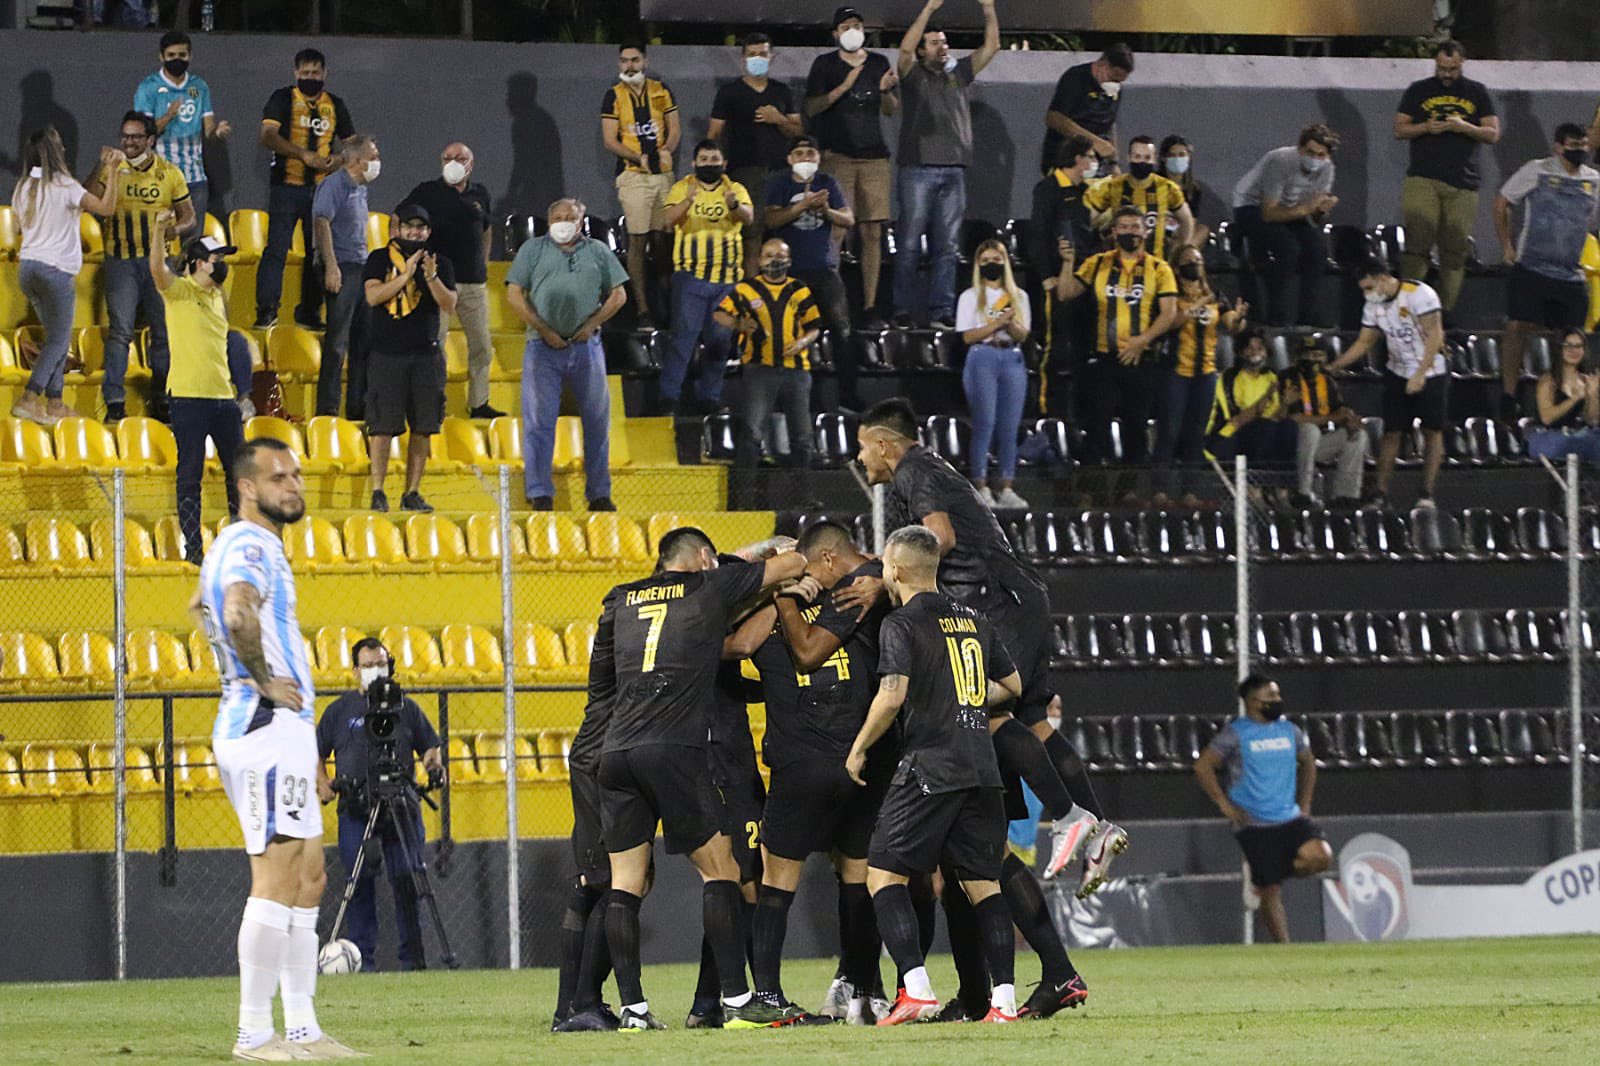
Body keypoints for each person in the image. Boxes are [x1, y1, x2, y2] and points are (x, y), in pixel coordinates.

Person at [856, 399, 1121, 918]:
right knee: (1032, 720)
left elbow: (943, 537)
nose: (861, 459)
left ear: (885, 445)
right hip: (1019, 597)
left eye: (864, 447)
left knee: (991, 709)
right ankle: (1096, 827)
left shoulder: (914, 471)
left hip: (996, 599)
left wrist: (885, 567)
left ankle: (1070, 816)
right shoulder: (930, 467)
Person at [589, 526, 805, 1029]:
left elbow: (602, 679)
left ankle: (634, 1011)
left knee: (626, 882)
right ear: (706, 558)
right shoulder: (708, 586)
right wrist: (769, 575)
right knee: (722, 871)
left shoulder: (620, 597)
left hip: (616, 749)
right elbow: (790, 566)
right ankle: (734, 1002)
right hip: (673, 749)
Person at [192, 437, 359, 1060]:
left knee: (308, 878)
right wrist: (259, 681)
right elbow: (236, 613)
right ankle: (253, 1033)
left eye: (296, 474)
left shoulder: (240, 546)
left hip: (284, 732)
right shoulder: (250, 543)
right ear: (246, 488)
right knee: (275, 878)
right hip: (262, 725)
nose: (294, 485)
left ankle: (302, 1030)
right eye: (279, 476)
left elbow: (202, 607)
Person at [848, 524, 1023, 1024]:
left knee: (882, 872)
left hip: (931, 765)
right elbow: (1011, 683)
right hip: (982, 770)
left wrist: (860, 747)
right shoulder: (973, 618)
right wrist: (962, 697)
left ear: (896, 569)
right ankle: (1004, 1004)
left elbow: (892, 693)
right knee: (983, 885)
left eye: (884, 563)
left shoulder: (900, 623)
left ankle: (916, 988)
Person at [749, 521, 892, 1023]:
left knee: (777, 879)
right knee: (859, 877)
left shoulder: (770, 616)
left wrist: (778, 588)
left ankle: (765, 995)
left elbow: (735, 642)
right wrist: (883, 576)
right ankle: (865, 992)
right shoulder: (863, 604)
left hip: (801, 758)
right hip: (859, 756)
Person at [313, 638, 444, 972]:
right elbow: (315, 750)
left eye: (381, 663)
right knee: (358, 884)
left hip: (401, 803)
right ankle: (362, 961)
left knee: (409, 879)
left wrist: (433, 765)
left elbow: (430, 746)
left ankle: (413, 961)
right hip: (356, 807)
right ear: (355, 670)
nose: (376, 670)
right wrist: (324, 783)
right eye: (369, 664)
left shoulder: (406, 707)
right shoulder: (340, 710)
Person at [504, 198, 629, 511]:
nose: (563, 221)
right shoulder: (532, 250)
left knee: (598, 423)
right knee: (538, 423)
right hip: (541, 347)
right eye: (558, 217)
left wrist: (593, 323)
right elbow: (513, 293)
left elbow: (619, 293)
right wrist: (542, 328)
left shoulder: (599, 251)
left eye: (570, 217)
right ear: (548, 221)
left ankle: (599, 494)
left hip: (587, 346)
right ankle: (540, 493)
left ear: (581, 221)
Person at [1193, 674, 1332, 945]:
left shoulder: (1290, 730)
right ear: (1252, 702)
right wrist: (1225, 806)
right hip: (1253, 821)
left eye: (1277, 696)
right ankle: (1285, 947)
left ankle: (1266, 873)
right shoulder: (1236, 733)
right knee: (1270, 891)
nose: (1277, 701)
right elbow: (1204, 765)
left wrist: (1305, 804)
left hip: (1289, 816)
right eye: (1271, 697)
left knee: (1321, 857)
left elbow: (1308, 763)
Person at [891, 0, 1001, 330]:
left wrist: (988, 8)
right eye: (935, 42)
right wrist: (927, 10)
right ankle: (902, 311)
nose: (943, 47)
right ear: (924, 50)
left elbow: (992, 46)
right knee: (909, 245)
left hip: (954, 170)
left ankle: (942, 311)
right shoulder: (913, 74)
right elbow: (905, 50)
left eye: (944, 42)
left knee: (947, 248)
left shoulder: (959, 73)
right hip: (918, 169)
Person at [1055, 206, 1180, 486]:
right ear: (1113, 232)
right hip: (1104, 359)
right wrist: (1067, 263)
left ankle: (1130, 493)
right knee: (1097, 424)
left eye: (1135, 227)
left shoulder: (1160, 269)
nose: (1130, 232)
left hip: (1141, 360)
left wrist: (1142, 340)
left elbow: (1169, 313)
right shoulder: (1098, 263)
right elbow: (1065, 293)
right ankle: (1093, 489)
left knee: (1136, 427)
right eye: (1124, 227)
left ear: (1146, 231)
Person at [86, 110, 195, 424]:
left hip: (159, 262)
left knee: (163, 334)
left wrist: (176, 229)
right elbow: (86, 196)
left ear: (150, 140)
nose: (128, 142)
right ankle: (115, 402)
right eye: (125, 136)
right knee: (121, 333)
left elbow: (189, 216)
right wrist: (101, 165)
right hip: (120, 261)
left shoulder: (170, 173)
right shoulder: (113, 168)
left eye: (135, 137)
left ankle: (163, 400)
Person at [8, 130, 120, 427]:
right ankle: (29, 399)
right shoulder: (64, 185)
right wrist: (113, 171)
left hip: (28, 269)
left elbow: (20, 228)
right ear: (56, 152)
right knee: (58, 342)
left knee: (54, 341)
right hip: (55, 272)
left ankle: (55, 403)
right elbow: (105, 208)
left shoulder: (23, 187)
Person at [150, 218, 244, 566]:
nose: (222, 265)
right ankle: (194, 547)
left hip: (223, 396)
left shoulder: (219, 295)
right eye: (216, 258)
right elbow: (157, 268)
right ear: (198, 262)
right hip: (188, 397)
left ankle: (238, 541)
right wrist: (160, 231)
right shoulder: (179, 292)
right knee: (190, 474)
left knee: (238, 473)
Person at [1494, 124, 1600, 420]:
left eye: (1583, 143)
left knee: (1572, 339)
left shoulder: (1594, 180)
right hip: (1531, 268)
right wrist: (1507, 246)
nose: (1579, 149)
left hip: (1570, 273)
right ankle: (1509, 394)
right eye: (1573, 144)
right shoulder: (1537, 170)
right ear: (1558, 146)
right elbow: (1502, 203)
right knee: (1516, 327)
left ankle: (1570, 401)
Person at [805, 6, 900, 329]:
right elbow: (812, 107)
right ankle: (833, 306)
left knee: (873, 231)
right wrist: (843, 87)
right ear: (835, 33)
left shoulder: (878, 63)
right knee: (835, 230)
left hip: (874, 157)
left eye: (857, 24)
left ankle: (871, 305)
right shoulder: (824, 64)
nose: (852, 30)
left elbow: (890, 110)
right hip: (836, 156)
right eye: (845, 25)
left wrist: (886, 91)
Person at [360, 203, 456, 514]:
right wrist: (406, 276)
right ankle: (377, 490)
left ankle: (411, 491)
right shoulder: (378, 259)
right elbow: (374, 296)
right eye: (409, 227)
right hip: (387, 354)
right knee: (382, 426)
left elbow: (449, 304)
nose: (414, 233)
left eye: (421, 228)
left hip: (425, 355)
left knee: (423, 426)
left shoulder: (440, 262)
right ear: (398, 230)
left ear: (428, 232)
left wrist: (430, 278)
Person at [1329, 260, 1448, 509]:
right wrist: (1335, 366)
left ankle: (1426, 493)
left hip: (1432, 371)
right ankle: (1380, 492)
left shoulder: (1420, 295)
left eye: (1369, 287)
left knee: (1432, 431)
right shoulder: (1373, 306)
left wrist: (1420, 373)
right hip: (1397, 371)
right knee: (1391, 431)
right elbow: (1365, 341)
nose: (1366, 293)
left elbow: (1435, 336)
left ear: (1383, 278)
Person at [1394, 40, 1500, 314]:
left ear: (1462, 63)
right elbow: (1400, 129)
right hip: (1423, 176)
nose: (1447, 74)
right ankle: (1408, 309)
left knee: (1455, 250)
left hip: (1463, 183)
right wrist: (1426, 127)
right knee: (1418, 241)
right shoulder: (1419, 90)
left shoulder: (1476, 92)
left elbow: (1492, 133)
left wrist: (1464, 127)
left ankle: (1442, 312)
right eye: (1442, 68)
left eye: (1452, 69)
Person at [255, 48, 355, 330]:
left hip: (322, 191)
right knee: (276, 250)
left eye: (315, 73)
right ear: (296, 73)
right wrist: (303, 155)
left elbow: (351, 143)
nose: (310, 77)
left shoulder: (335, 104)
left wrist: (338, 160)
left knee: (318, 253)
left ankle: (310, 312)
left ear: (325, 74)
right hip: (286, 187)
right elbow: (268, 136)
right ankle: (267, 309)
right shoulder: (283, 98)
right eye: (305, 73)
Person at [401, 142, 503, 419]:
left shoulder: (479, 194)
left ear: (471, 163)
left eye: (460, 157)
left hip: (473, 282)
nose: (453, 162)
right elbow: (401, 217)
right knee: (437, 344)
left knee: (481, 344)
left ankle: (479, 402)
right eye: (447, 157)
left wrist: (483, 261)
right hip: (439, 280)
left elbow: (486, 228)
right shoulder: (427, 191)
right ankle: (435, 402)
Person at [659, 141, 753, 416]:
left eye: (714, 158)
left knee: (719, 343)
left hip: (727, 279)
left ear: (723, 164)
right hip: (691, 277)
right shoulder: (682, 186)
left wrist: (733, 204)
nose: (709, 163)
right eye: (704, 158)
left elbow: (748, 218)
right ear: (694, 163)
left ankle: (709, 397)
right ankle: (668, 398)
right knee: (682, 340)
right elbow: (668, 220)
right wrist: (689, 200)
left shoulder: (735, 188)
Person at [764, 136, 859, 408]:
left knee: (842, 332)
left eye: (810, 153)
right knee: (791, 334)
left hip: (824, 269)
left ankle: (847, 397)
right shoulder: (779, 183)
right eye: (799, 153)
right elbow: (771, 220)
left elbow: (848, 219)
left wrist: (825, 209)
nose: (805, 158)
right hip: (789, 275)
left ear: (818, 158)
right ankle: (798, 400)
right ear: (790, 159)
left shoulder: (827, 183)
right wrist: (802, 206)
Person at [713, 238, 821, 474]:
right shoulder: (745, 289)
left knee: (802, 437)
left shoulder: (800, 290)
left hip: (796, 370)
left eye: (780, 255)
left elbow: (814, 326)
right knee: (752, 433)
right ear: (760, 260)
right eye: (769, 255)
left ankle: (804, 497)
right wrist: (739, 323)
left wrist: (802, 341)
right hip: (758, 368)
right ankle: (745, 499)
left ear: (789, 261)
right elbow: (719, 314)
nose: (775, 260)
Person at [1153, 243, 1244, 506]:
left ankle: (1190, 490)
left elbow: (1229, 323)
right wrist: (1199, 304)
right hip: (1176, 372)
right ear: (1178, 265)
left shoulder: (1215, 295)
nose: (1195, 264)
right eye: (1189, 260)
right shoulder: (1171, 293)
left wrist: (1238, 319)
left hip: (1205, 373)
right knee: (1169, 431)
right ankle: (1160, 489)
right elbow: (1172, 322)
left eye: (1198, 260)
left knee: (1196, 433)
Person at [709, 32, 804, 278]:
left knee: (784, 237)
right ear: (743, 58)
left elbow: (798, 131)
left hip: (782, 172)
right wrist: (715, 167)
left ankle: (783, 295)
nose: (757, 58)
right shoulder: (729, 92)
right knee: (752, 239)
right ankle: (753, 297)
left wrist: (778, 119)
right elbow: (714, 134)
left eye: (762, 54)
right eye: (752, 54)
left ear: (771, 57)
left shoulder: (782, 92)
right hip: (745, 171)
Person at [602, 42, 680, 330]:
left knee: (664, 240)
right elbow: (610, 141)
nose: (629, 66)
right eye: (624, 61)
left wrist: (665, 151)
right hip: (632, 174)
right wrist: (639, 157)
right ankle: (643, 310)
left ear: (645, 61)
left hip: (663, 175)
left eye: (634, 60)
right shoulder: (613, 96)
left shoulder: (661, 90)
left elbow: (674, 130)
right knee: (638, 239)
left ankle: (668, 302)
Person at [1232, 124, 1341, 327]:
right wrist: (1306, 209)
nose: (1315, 159)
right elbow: (1269, 213)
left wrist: (1320, 211)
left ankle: (1307, 317)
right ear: (1300, 149)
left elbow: (1313, 218)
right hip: (1251, 206)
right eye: (1310, 152)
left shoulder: (1327, 169)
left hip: (1292, 208)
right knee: (1287, 248)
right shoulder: (1281, 161)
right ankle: (1277, 317)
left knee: (1317, 251)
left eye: (1321, 155)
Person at [957, 240, 1031, 508]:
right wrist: (997, 323)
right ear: (978, 264)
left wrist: (1009, 324)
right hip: (982, 357)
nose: (992, 264)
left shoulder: (1018, 296)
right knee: (984, 423)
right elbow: (967, 336)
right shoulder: (970, 296)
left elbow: (1023, 333)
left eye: (997, 259)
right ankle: (981, 485)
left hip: (1012, 356)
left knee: (1009, 427)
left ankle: (1007, 486)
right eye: (986, 259)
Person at [1028, 135, 1099, 410]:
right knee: (1054, 348)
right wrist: (1047, 278)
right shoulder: (1049, 188)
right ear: (1078, 158)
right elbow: (1038, 235)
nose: (1094, 164)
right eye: (1091, 157)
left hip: (1083, 281)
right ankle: (1047, 411)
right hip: (1057, 281)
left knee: (1083, 349)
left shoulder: (1085, 192)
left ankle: (1077, 411)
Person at [135, 30, 232, 227]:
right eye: (171, 55)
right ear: (161, 57)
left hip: (195, 178)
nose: (177, 60)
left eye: (182, 55)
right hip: (161, 177)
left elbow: (208, 130)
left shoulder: (199, 87)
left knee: (192, 241)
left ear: (190, 56)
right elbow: (142, 134)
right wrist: (169, 115)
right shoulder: (148, 87)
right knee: (161, 236)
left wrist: (217, 132)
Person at [312, 134, 379, 419]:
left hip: (360, 266)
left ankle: (357, 409)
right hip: (342, 266)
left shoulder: (360, 188)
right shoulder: (334, 184)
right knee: (337, 342)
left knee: (363, 341)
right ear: (355, 161)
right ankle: (327, 411)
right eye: (372, 157)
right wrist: (331, 266)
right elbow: (321, 221)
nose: (377, 162)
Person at [1281, 335, 1366, 507]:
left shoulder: (1327, 381)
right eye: (1308, 355)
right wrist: (1332, 418)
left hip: (1318, 444)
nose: (1313, 360)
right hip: (1292, 443)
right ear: (1297, 358)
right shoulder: (1287, 378)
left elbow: (1339, 408)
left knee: (1357, 435)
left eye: (1318, 355)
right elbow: (1295, 419)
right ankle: (1303, 492)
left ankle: (1346, 496)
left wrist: (1349, 418)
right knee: (1309, 429)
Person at [1203, 329, 1296, 479]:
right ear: (1241, 351)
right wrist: (1266, 396)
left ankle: (1284, 487)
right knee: (1263, 427)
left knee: (1289, 427)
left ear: (1267, 352)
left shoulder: (1272, 377)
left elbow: (1277, 416)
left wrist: (1285, 404)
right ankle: (1257, 485)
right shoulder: (1230, 377)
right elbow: (1239, 418)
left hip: (1265, 429)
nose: (1255, 352)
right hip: (1232, 430)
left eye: (1260, 349)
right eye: (1250, 348)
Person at [1084, 134, 1193, 261]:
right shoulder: (1112, 186)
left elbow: (1186, 220)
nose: (1142, 162)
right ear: (1129, 157)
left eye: (1147, 157)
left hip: (1155, 266)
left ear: (1154, 159)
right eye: (1137, 157)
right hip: (1119, 264)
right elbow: (1087, 220)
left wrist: (1179, 251)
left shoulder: (1168, 188)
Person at [1041, 43, 1133, 176]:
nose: (1115, 84)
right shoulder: (1075, 78)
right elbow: (1054, 118)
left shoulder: (1114, 90)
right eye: (1113, 78)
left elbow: (1110, 123)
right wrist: (1094, 142)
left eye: (1119, 81)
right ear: (1103, 65)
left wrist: (1114, 162)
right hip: (1066, 161)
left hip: (1096, 166)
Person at [1526, 330, 1600, 466]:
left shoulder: (1585, 380)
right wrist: (1576, 397)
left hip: (1578, 436)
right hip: (1549, 437)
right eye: (1569, 346)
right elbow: (1547, 418)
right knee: (1569, 443)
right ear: (1559, 349)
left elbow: (1591, 420)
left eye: (1578, 346)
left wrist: (1593, 395)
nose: (1574, 350)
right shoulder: (1548, 380)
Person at [1157, 135, 1210, 248]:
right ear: (1163, 158)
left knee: (1202, 230)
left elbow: (1192, 220)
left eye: (1181, 155)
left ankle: (1184, 253)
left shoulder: (1194, 189)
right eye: (1172, 155)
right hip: (1160, 230)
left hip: (1183, 231)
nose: (1177, 159)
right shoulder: (1155, 183)